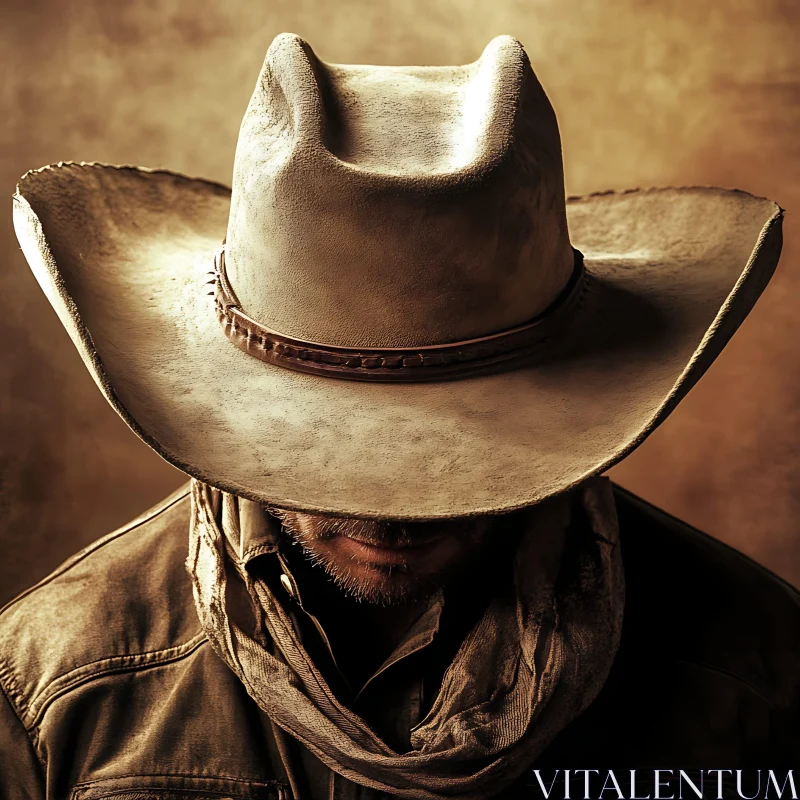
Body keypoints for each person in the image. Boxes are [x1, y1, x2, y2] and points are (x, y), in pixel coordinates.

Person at [1, 32, 797, 800]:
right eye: (323, 435)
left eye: (459, 437)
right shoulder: (54, 682)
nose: (389, 509)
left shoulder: (758, 666)